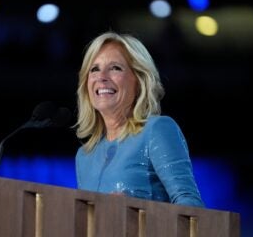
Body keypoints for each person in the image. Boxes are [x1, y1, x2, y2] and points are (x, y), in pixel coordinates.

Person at [74, 31, 204, 207]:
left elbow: (191, 207)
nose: (102, 77)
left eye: (115, 68)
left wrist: (137, 212)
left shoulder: (157, 130)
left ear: (139, 80)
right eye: (94, 69)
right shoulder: (84, 156)